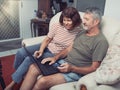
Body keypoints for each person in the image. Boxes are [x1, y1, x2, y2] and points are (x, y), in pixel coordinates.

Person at [20, 7, 109, 90]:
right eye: (84, 18)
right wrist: (55, 58)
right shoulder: (82, 33)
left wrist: (72, 68)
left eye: (87, 19)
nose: (83, 21)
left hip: (76, 72)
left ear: (96, 21)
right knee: (33, 68)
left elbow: (94, 68)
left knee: (42, 81)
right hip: (63, 63)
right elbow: (68, 50)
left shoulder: (100, 41)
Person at [5, 7, 82, 90]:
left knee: (28, 59)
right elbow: (47, 39)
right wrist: (41, 50)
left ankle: (13, 83)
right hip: (47, 46)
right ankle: (19, 76)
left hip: (54, 53)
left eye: (69, 20)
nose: (66, 23)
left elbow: (68, 50)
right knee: (21, 52)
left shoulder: (78, 32)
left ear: (75, 20)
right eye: (64, 20)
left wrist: (55, 57)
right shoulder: (57, 25)